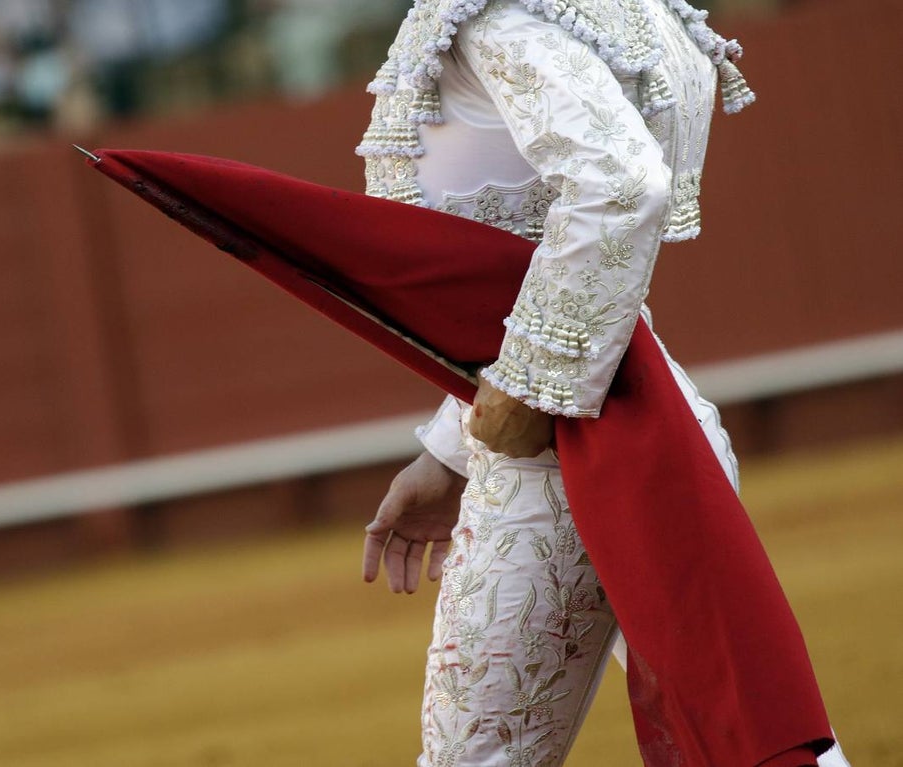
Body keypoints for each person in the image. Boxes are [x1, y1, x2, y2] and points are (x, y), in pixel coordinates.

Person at [356, 1, 850, 765]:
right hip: (648, 427)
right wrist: (454, 448)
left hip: (564, 468)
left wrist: (525, 397)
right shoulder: (607, 10)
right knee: (731, 737)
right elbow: (560, 256)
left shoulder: (502, 21)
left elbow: (621, 186)